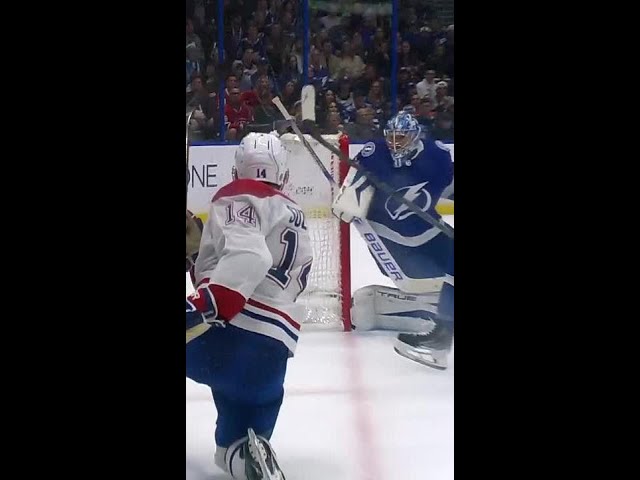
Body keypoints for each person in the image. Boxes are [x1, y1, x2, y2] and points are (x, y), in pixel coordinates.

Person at [186, 132, 312, 479]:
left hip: (228, 341)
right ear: (282, 175)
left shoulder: (240, 193)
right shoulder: (293, 212)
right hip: (270, 366)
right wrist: (199, 256)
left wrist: (205, 304)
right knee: (233, 449)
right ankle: (252, 459)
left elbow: (249, 258)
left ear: (237, 168)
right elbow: (255, 272)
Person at [332, 111, 454, 370]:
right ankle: (440, 336)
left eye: (402, 137)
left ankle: (441, 336)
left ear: (416, 137)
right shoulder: (374, 153)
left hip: (428, 231)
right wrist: (350, 200)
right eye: (392, 137)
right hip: (393, 237)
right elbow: (356, 184)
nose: (395, 143)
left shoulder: (437, 156)